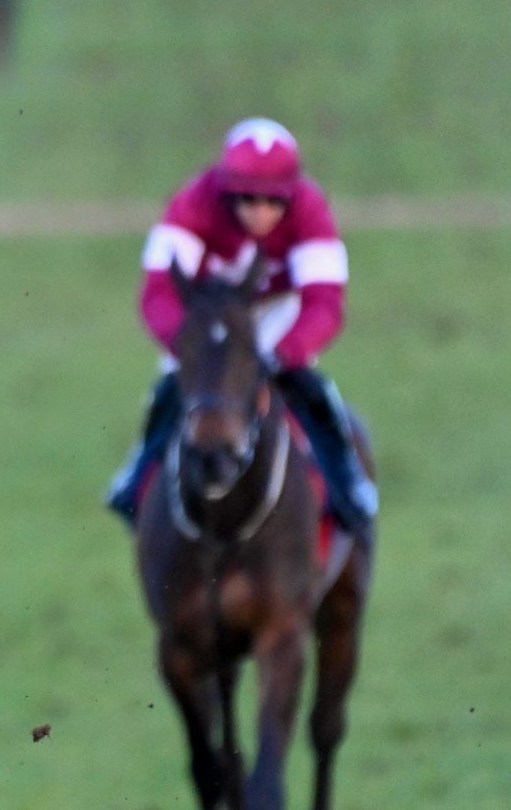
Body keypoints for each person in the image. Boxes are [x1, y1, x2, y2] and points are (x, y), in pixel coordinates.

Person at [105, 118, 379, 537]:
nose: (260, 212)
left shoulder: (311, 209)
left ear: (293, 196)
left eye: (274, 202)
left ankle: (348, 482)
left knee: (309, 387)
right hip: (207, 318)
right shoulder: (194, 203)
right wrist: (187, 346)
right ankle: (137, 475)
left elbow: (324, 304)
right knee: (170, 390)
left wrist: (285, 353)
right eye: (246, 199)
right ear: (225, 189)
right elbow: (158, 293)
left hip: (274, 312)